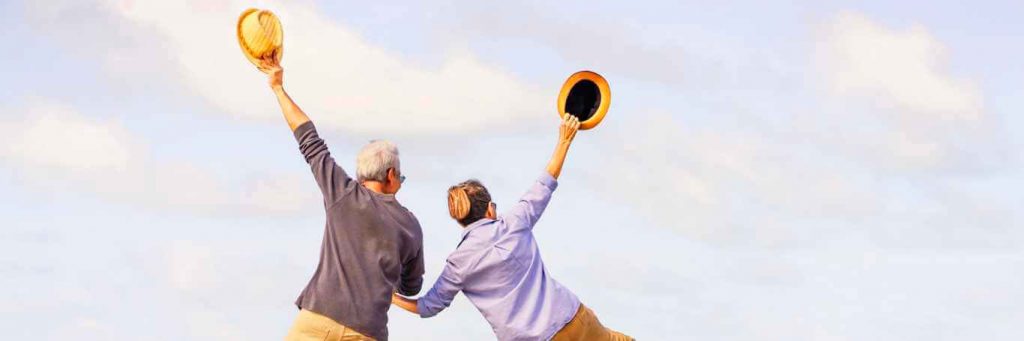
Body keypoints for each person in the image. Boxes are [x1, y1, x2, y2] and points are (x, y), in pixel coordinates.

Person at [391, 114, 632, 340]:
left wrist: (391, 297)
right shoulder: (515, 221)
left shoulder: (458, 263)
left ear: (460, 218)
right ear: (490, 209)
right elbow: (547, 180)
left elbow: (427, 307)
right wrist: (565, 139)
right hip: (572, 318)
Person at [259, 58, 425, 341]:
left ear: (362, 177)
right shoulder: (410, 225)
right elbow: (410, 287)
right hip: (367, 332)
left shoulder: (343, 193)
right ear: (391, 176)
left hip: (316, 320)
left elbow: (308, 138)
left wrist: (278, 88)